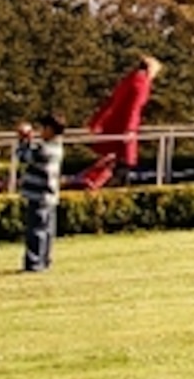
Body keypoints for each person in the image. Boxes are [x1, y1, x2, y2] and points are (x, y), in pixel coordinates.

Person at [76, 55, 158, 191]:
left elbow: (111, 102)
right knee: (123, 165)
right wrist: (130, 130)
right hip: (123, 127)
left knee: (112, 162)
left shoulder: (129, 79)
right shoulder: (142, 82)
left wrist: (96, 122)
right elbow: (134, 107)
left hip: (114, 125)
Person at [14, 120, 62, 273]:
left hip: (39, 194)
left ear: (51, 130)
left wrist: (24, 138)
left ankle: (34, 263)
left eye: (44, 128)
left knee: (36, 230)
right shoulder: (57, 147)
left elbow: (23, 156)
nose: (41, 131)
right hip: (50, 195)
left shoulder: (44, 149)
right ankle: (44, 261)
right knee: (47, 231)